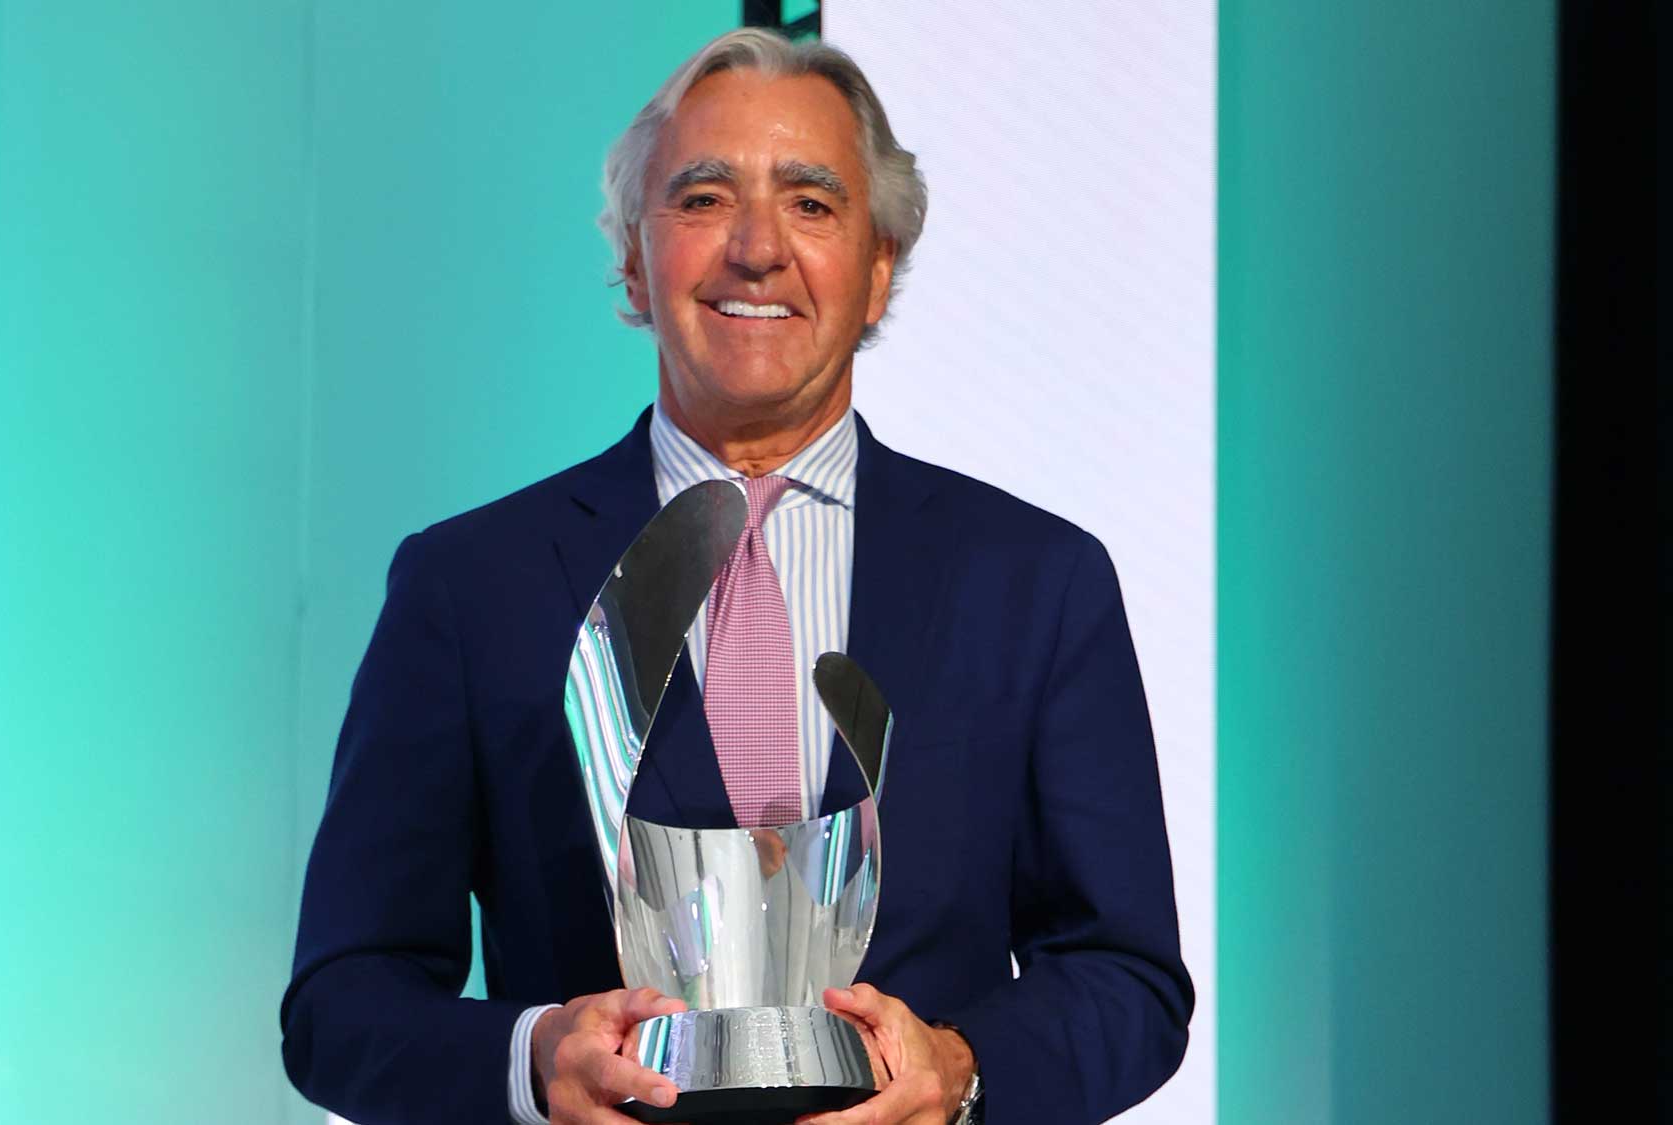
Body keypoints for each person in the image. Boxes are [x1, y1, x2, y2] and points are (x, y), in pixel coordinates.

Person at [282, 28, 1191, 1125]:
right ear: (631, 255)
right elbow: (341, 1004)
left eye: (811, 203)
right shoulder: (468, 586)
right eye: (704, 198)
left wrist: (960, 1069)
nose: (757, 248)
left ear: (878, 269)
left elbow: (1126, 979)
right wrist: (531, 1060)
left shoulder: (1037, 582)